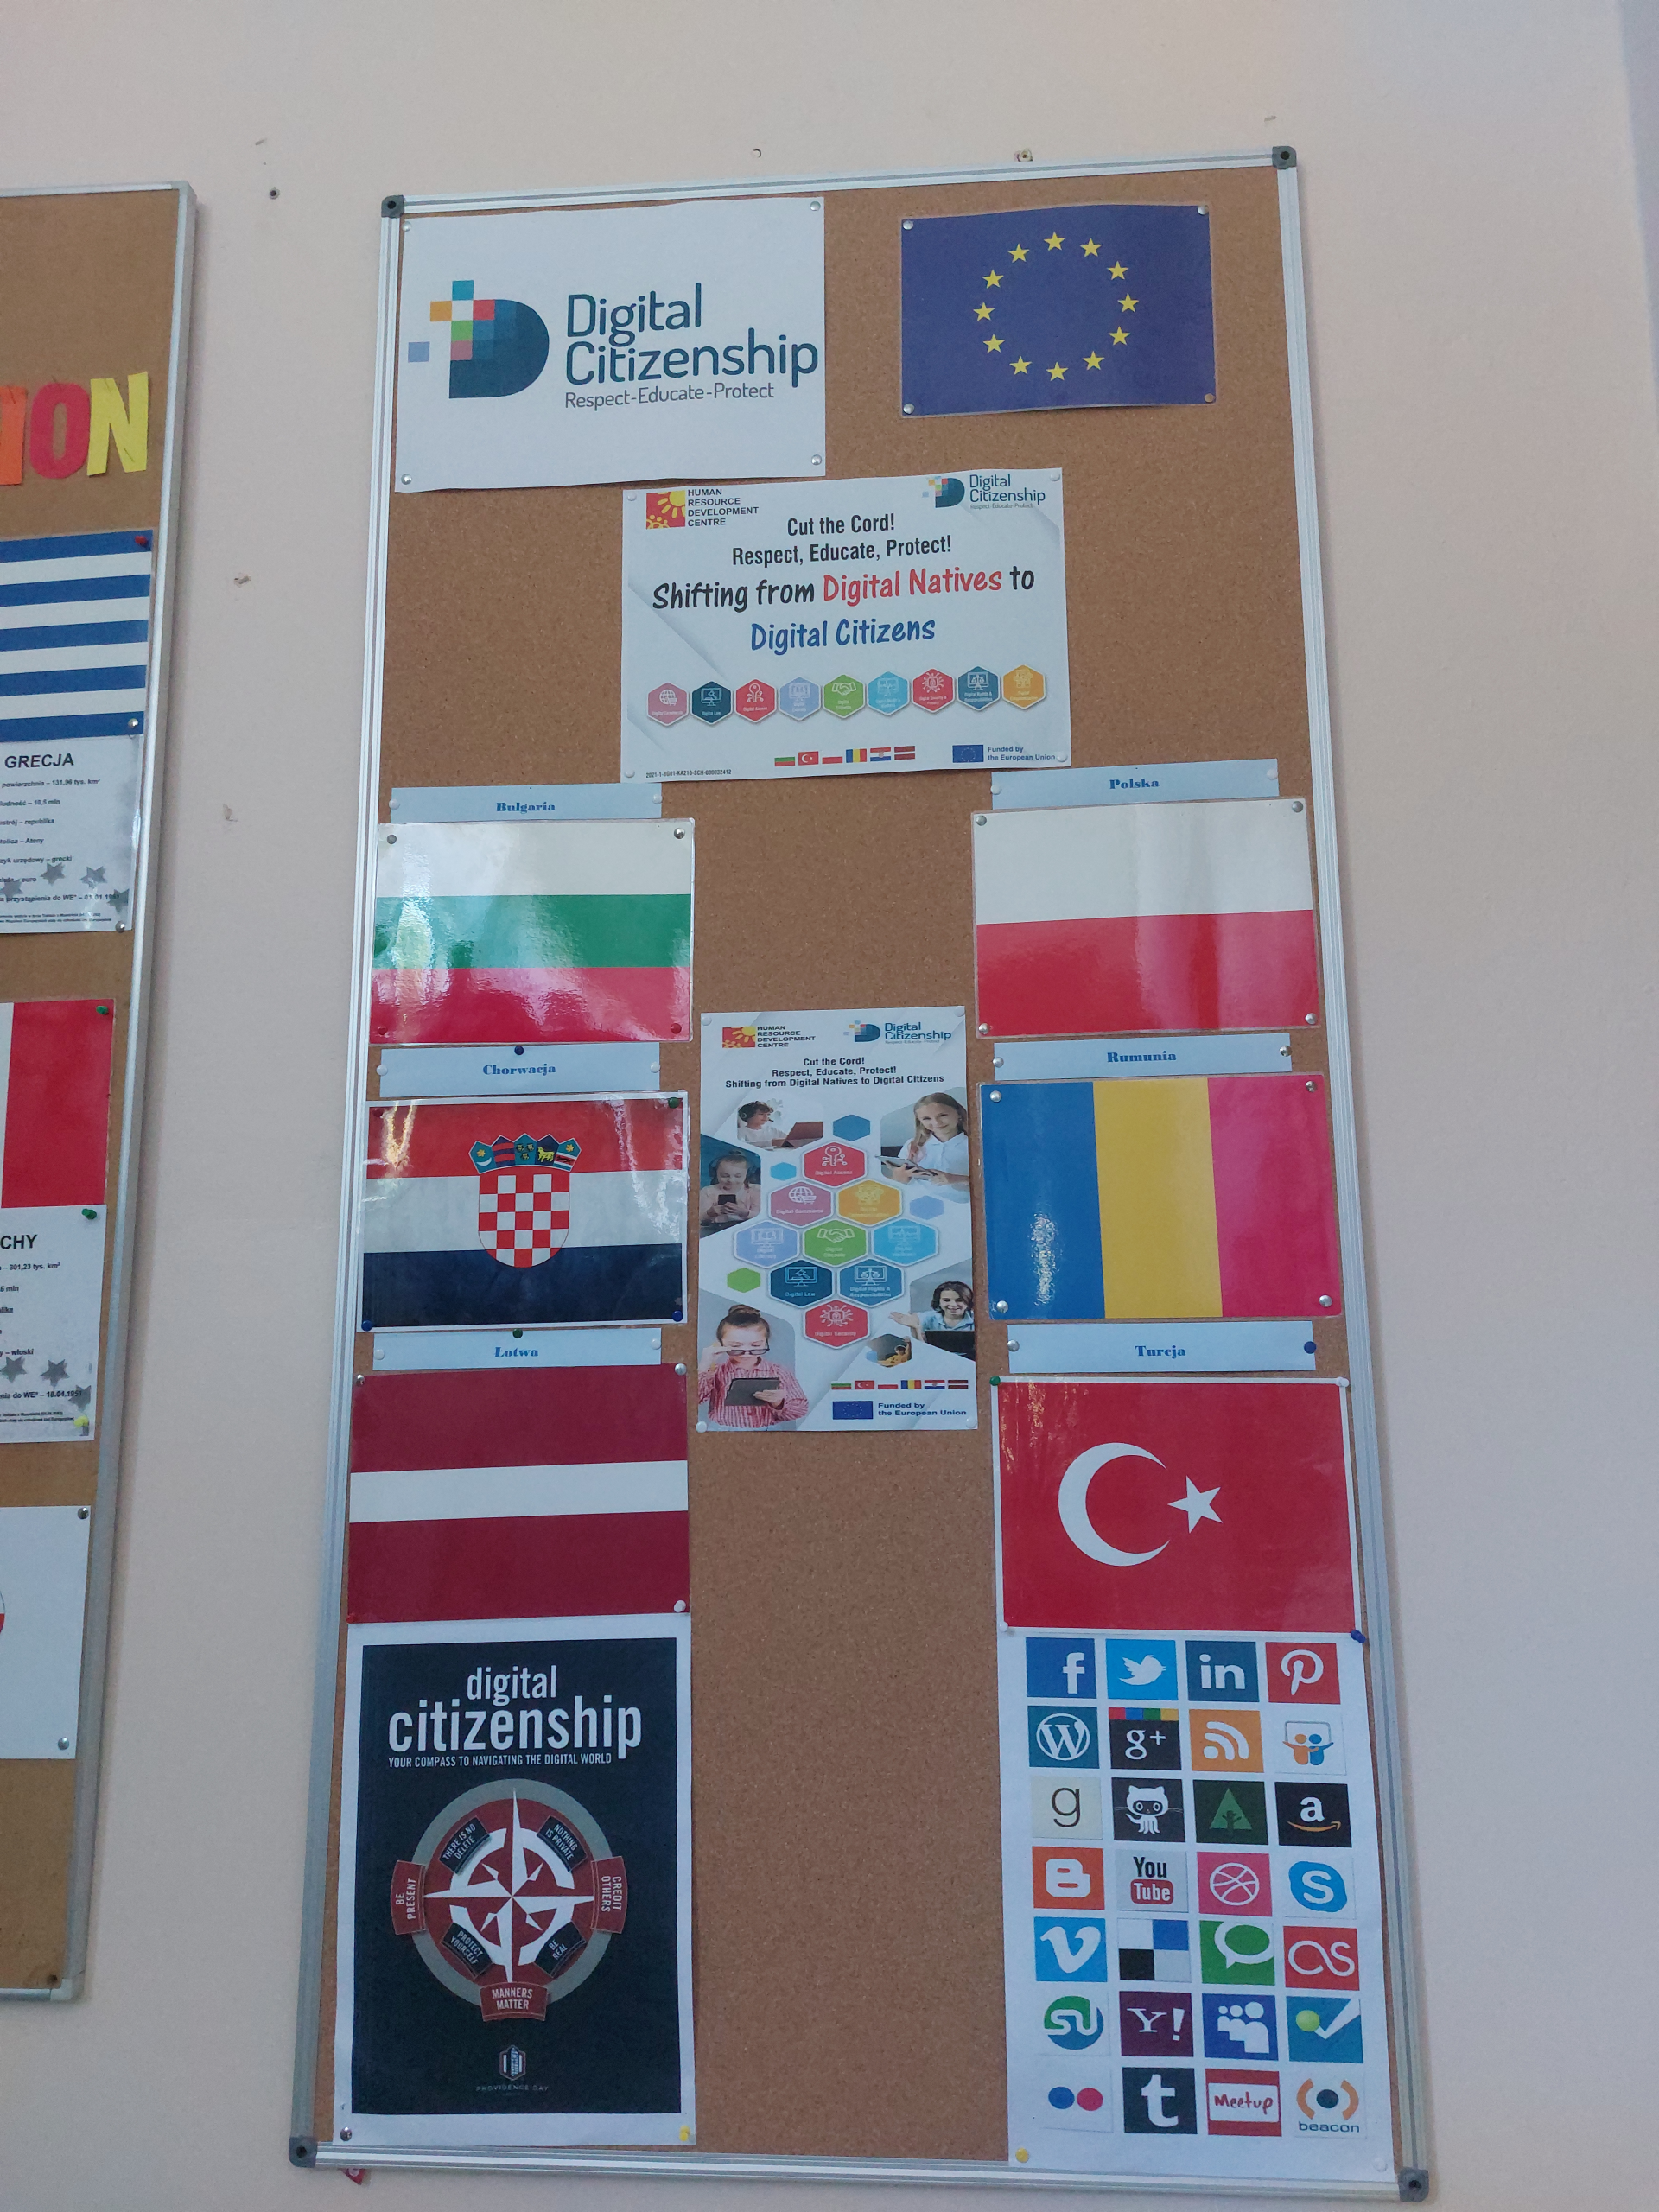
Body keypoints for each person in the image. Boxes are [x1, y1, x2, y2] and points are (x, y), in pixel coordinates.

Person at [696, 1306, 808, 1428]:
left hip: (767, 1433)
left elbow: (801, 1409)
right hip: (723, 1432)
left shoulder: (779, 1372)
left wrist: (779, 1403)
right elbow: (694, 1400)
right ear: (721, 1344)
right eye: (736, 1346)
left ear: (765, 1342)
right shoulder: (715, 1372)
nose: (746, 1353)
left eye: (756, 1345)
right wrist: (704, 1365)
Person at [887, 1092, 970, 1192]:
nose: (936, 1122)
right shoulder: (912, 1145)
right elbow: (898, 1182)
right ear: (920, 1121)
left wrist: (957, 1178)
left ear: (959, 1114)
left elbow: (986, 1181)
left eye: (942, 1115)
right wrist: (900, 1177)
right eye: (927, 1118)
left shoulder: (975, 1145)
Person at [697, 1149, 759, 1234]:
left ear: (747, 1174)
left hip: (748, 1230)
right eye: (725, 1176)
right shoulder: (707, 1191)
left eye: (738, 1176)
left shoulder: (756, 1190)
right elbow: (698, 1220)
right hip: (717, 1231)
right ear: (715, 1173)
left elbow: (763, 1217)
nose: (731, 1180)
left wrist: (745, 1213)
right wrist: (710, 1213)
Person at [890, 1281, 975, 1338]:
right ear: (939, 1301)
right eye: (946, 1300)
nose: (953, 1304)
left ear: (968, 1301)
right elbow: (916, 1319)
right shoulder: (929, 1317)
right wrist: (915, 1326)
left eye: (959, 1300)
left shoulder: (977, 1319)